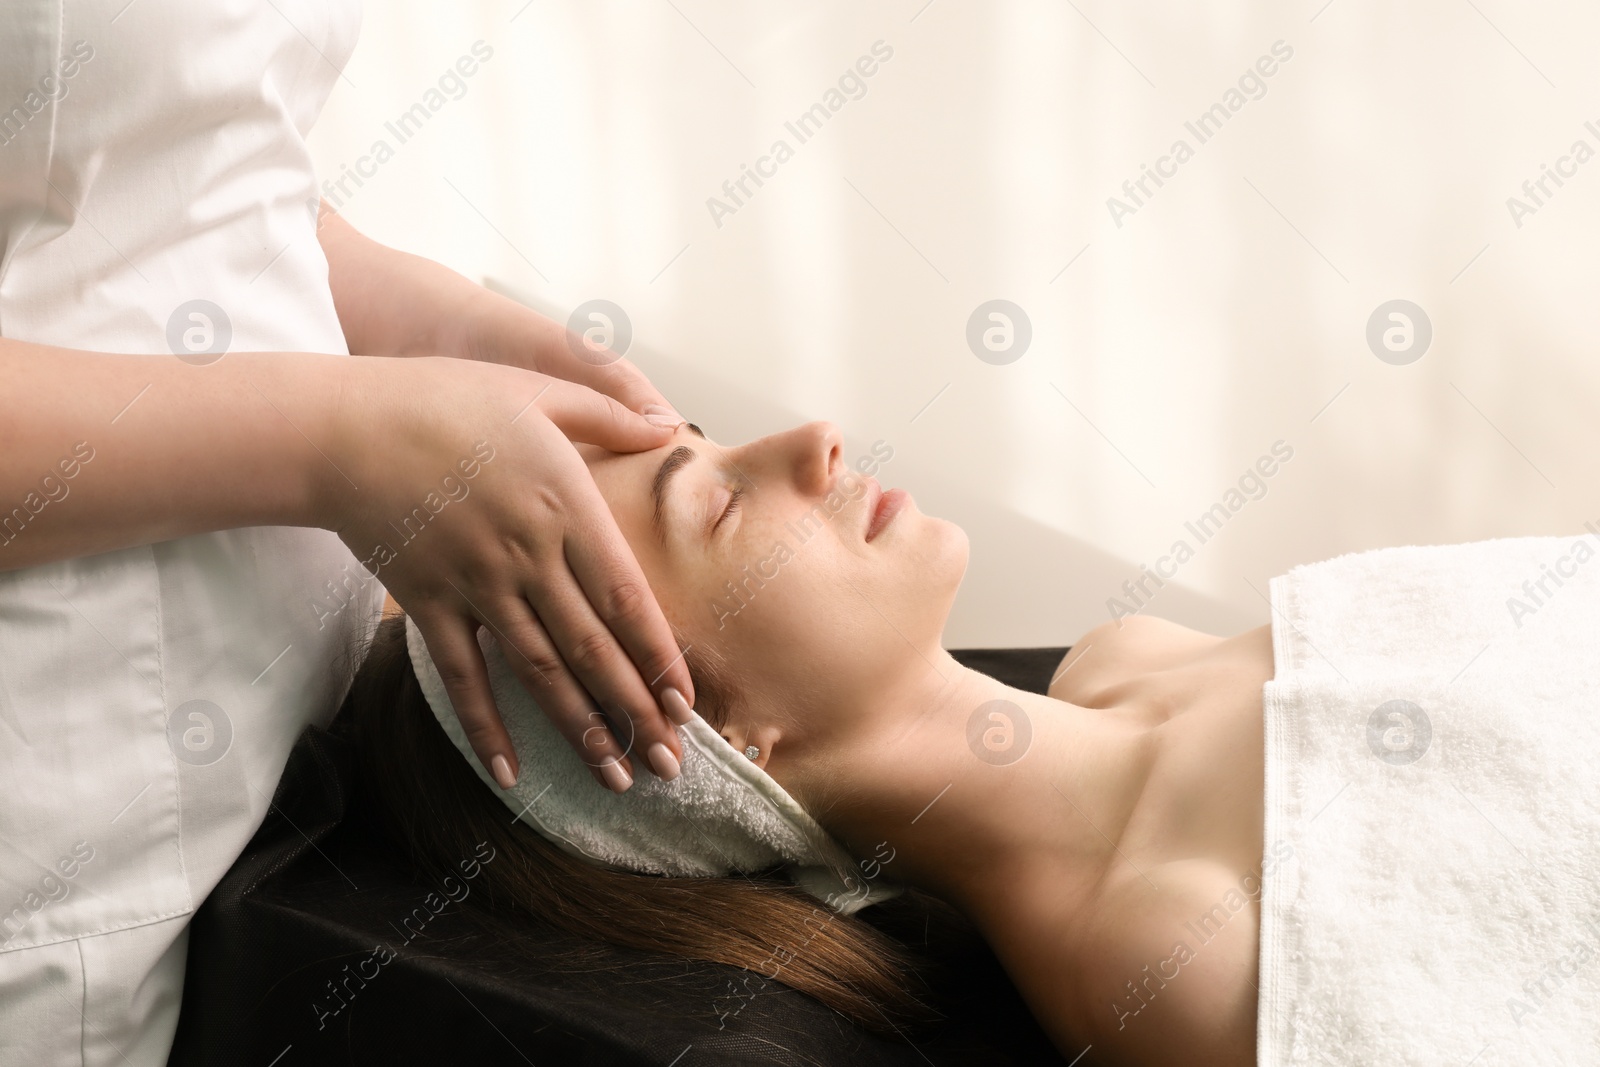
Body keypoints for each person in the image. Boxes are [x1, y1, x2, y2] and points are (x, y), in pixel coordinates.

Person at [0, 5, 690, 1062]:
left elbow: (173, 159)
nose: (826, 443)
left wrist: (436, 325)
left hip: (236, 795)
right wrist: (344, 438)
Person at [347, 420, 1271, 1066]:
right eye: (719, 506)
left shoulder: (1126, 656)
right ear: (719, 750)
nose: (813, 440)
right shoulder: (1174, 961)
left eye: (712, 441)